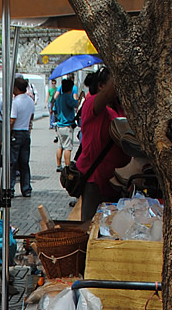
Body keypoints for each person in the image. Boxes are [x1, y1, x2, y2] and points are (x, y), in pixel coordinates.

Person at [75, 67, 126, 224]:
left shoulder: (118, 107)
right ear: (101, 86)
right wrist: (121, 68)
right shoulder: (92, 104)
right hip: (96, 180)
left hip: (117, 180)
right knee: (90, 225)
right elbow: (108, 94)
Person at [10, 76, 35, 197]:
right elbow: (31, 118)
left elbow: (12, 120)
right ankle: (26, 188)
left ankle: (10, 188)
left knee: (13, 163)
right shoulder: (30, 100)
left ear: (16, 88)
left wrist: (7, 134)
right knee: (24, 163)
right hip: (25, 133)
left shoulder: (15, 102)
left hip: (16, 133)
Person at [54, 77, 79, 172]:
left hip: (59, 125)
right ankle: (67, 167)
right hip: (67, 125)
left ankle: (58, 165)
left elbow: (55, 110)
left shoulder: (58, 98)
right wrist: (79, 100)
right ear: (70, 89)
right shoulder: (67, 97)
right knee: (68, 148)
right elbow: (75, 104)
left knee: (60, 146)